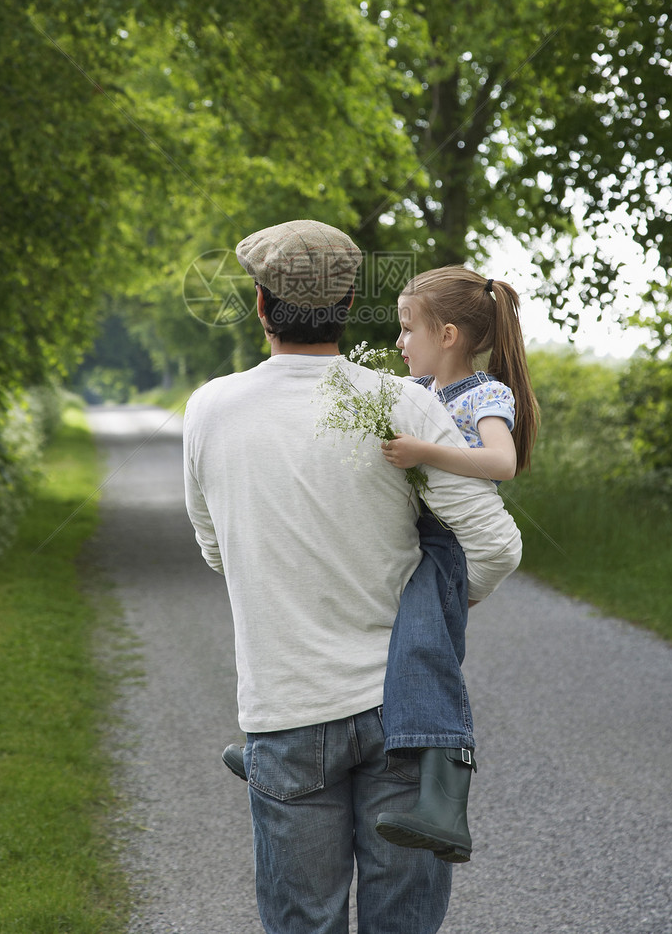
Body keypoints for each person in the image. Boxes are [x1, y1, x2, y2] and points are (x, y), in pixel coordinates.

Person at [183, 220, 522, 934]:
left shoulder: (210, 408)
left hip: (285, 713)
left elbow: (217, 552)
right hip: (406, 714)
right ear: (345, 307)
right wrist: (427, 619)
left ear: (260, 304)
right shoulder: (402, 402)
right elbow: (493, 548)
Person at [374, 266, 539, 862]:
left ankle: (445, 806)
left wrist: (423, 451)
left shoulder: (483, 395)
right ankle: (289, 748)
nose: (399, 343)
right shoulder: (421, 393)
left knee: (424, 651)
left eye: (406, 328)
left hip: (447, 546)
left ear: (446, 335)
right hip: (415, 536)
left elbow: (502, 463)